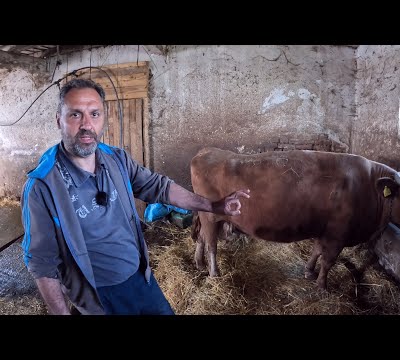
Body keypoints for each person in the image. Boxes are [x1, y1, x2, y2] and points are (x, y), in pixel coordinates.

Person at [21, 78, 250, 315]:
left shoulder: (116, 159)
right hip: (98, 298)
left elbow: (158, 186)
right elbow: (42, 262)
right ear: (59, 119)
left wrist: (213, 205)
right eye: (75, 115)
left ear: (104, 119)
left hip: (142, 278)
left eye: (95, 114)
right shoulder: (42, 187)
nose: (87, 124)